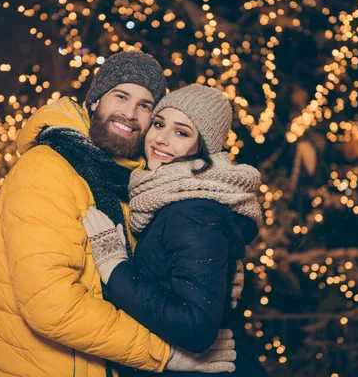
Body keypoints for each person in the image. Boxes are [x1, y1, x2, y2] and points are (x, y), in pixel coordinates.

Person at [0, 51, 241, 376]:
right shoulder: (46, 169)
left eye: (146, 106)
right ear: (94, 101)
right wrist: (161, 353)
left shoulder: (134, 182)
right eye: (121, 96)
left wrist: (211, 273)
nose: (130, 113)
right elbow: (50, 304)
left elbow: (149, 271)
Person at [83, 84, 269, 376]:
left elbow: (196, 328)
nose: (161, 139)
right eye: (159, 124)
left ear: (202, 147)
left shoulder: (191, 210)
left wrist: (116, 268)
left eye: (181, 132)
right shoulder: (165, 198)